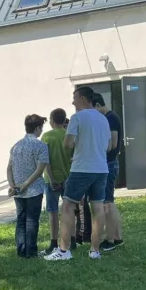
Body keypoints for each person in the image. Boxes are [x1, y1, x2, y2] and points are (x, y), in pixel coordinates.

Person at [44, 86, 112, 261]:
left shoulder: (77, 117)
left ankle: (64, 250)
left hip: (81, 168)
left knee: (68, 206)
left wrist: (79, 143)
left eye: (74, 98)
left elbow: (67, 143)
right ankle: (95, 251)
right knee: (98, 208)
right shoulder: (103, 119)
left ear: (82, 99)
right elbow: (108, 146)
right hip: (101, 169)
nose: (73, 102)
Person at [7, 114, 50, 258]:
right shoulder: (41, 146)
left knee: (21, 220)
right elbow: (40, 170)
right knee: (32, 220)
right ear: (37, 128)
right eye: (41, 128)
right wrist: (26, 184)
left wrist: (13, 186)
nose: (41, 131)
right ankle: (31, 252)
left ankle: (21, 250)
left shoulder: (16, 146)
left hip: (17, 190)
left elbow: (9, 168)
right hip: (34, 189)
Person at [93, 94, 124, 252]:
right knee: (109, 202)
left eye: (93, 109)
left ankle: (110, 240)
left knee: (107, 204)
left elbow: (112, 144)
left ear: (98, 105)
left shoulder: (110, 119)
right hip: (110, 164)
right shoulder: (110, 117)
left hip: (109, 164)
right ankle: (117, 238)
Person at [41, 108, 73, 255]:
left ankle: (53, 242)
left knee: (53, 212)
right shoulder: (69, 135)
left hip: (51, 179)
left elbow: (45, 160)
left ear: (52, 120)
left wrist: (52, 179)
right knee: (69, 210)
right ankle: (71, 239)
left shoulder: (47, 136)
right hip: (68, 178)